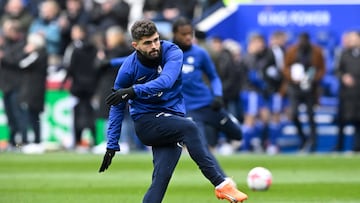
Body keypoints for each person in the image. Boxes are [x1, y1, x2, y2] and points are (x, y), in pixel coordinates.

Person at [98, 19, 248, 203]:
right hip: (147, 122)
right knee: (190, 128)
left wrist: (133, 90)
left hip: (172, 119)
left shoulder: (172, 51)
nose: (154, 46)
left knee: (160, 180)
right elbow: (117, 106)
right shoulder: (128, 69)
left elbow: (166, 81)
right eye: (148, 43)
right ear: (135, 45)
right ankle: (221, 184)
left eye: (156, 40)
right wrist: (112, 144)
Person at [171, 17, 242, 155]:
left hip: (209, 104)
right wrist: (115, 63)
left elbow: (214, 76)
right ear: (175, 34)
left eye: (189, 33)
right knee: (201, 148)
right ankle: (221, 177)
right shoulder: (166, 53)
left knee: (237, 134)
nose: (188, 37)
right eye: (183, 34)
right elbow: (136, 60)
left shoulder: (200, 53)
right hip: (189, 109)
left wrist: (218, 95)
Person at [283, 32, 325, 153]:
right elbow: (285, 68)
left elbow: (322, 69)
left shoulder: (316, 51)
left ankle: (313, 143)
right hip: (294, 87)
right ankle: (303, 138)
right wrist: (292, 77)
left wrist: (313, 78)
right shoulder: (292, 51)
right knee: (294, 114)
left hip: (310, 88)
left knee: (311, 115)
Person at [61, 24, 98, 152]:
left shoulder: (74, 49)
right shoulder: (94, 49)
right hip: (91, 87)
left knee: (78, 115)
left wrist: (64, 82)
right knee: (90, 114)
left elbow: (69, 68)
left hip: (77, 87)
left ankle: (78, 141)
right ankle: (94, 140)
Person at [18, 33, 48, 154]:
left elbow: (22, 64)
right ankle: (35, 141)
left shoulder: (38, 55)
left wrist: (26, 53)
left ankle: (37, 141)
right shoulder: (40, 54)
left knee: (34, 115)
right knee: (32, 115)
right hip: (33, 89)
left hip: (35, 90)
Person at [335, 31, 360, 152]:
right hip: (346, 94)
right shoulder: (344, 54)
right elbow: (337, 71)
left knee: (358, 122)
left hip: (359, 93)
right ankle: (339, 146)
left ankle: (357, 148)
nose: (351, 41)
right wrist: (343, 76)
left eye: (354, 38)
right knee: (342, 121)